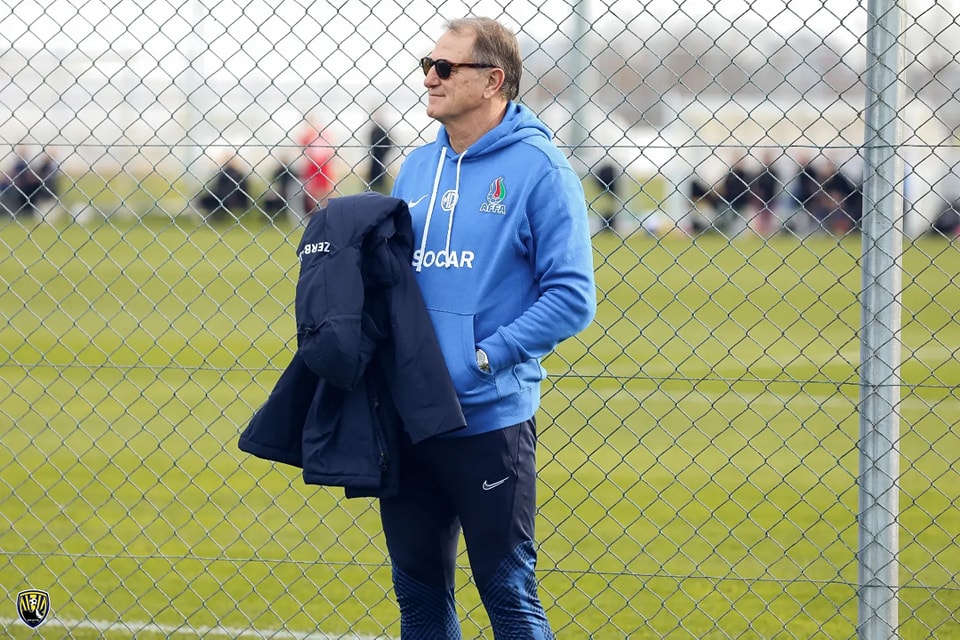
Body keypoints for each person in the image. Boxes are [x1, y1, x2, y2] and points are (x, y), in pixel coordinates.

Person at [384, 17, 596, 638]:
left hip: (488, 420)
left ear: (493, 80)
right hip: (410, 418)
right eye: (427, 64)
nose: (430, 77)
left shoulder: (541, 169)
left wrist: (483, 358)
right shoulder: (416, 168)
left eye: (445, 67)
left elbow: (572, 297)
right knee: (418, 601)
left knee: (508, 597)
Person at [196, 153, 253, 223]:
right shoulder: (237, 173)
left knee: (207, 199)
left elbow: (221, 188)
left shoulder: (230, 173)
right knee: (209, 199)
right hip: (232, 199)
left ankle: (216, 217)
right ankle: (216, 217)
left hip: (228, 199)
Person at [298, 119, 336, 213]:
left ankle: (324, 211)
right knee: (315, 192)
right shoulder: (308, 135)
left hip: (322, 165)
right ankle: (319, 212)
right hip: (314, 166)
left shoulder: (322, 134)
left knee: (325, 190)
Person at [366, 117, 395, 193]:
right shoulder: (373, 131)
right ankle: (371, 188)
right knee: (373, 173)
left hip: (380, 157)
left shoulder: (383, 131)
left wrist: (383, 152)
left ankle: (380, 187)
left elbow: (389, 144)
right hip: (374, 157)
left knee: (380, 173)